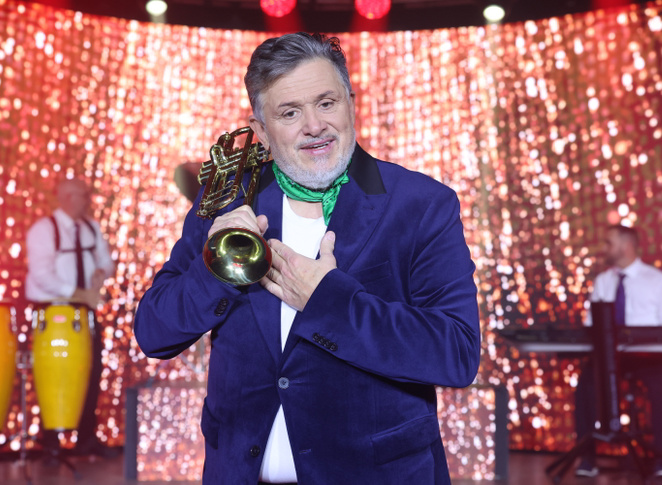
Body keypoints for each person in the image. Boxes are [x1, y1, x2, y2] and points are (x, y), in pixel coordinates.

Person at [134, 32, 480, 485]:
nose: (314, 126)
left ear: (351, 104)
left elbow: (456, 353)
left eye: (326, 103)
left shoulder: (422, 204)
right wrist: (215, 270)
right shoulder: (227, 200)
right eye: (290, 112)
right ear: (261, 130)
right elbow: (154, 333)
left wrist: (329, 302)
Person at [574, 224, 662, 479]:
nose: (604, 248)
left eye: (609, 243)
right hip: (610, 357)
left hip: (648, 357)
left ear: (626, 246)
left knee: (661, 390)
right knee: (586, 385)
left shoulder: (658, 281)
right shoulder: (603, 281)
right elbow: (592, 324)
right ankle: (587, 458)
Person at [25, 177, 117, 460]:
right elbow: (42, 275)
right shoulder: (43, 230)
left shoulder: (91, 227)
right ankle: (50, 441)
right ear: (65, 198)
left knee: (91, 371)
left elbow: (107, 262)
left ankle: (86, 438)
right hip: (55, 311)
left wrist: (101, 272)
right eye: (81, 195)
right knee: (52, 375)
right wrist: (79, 294)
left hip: (84, 312)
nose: (86, 201)